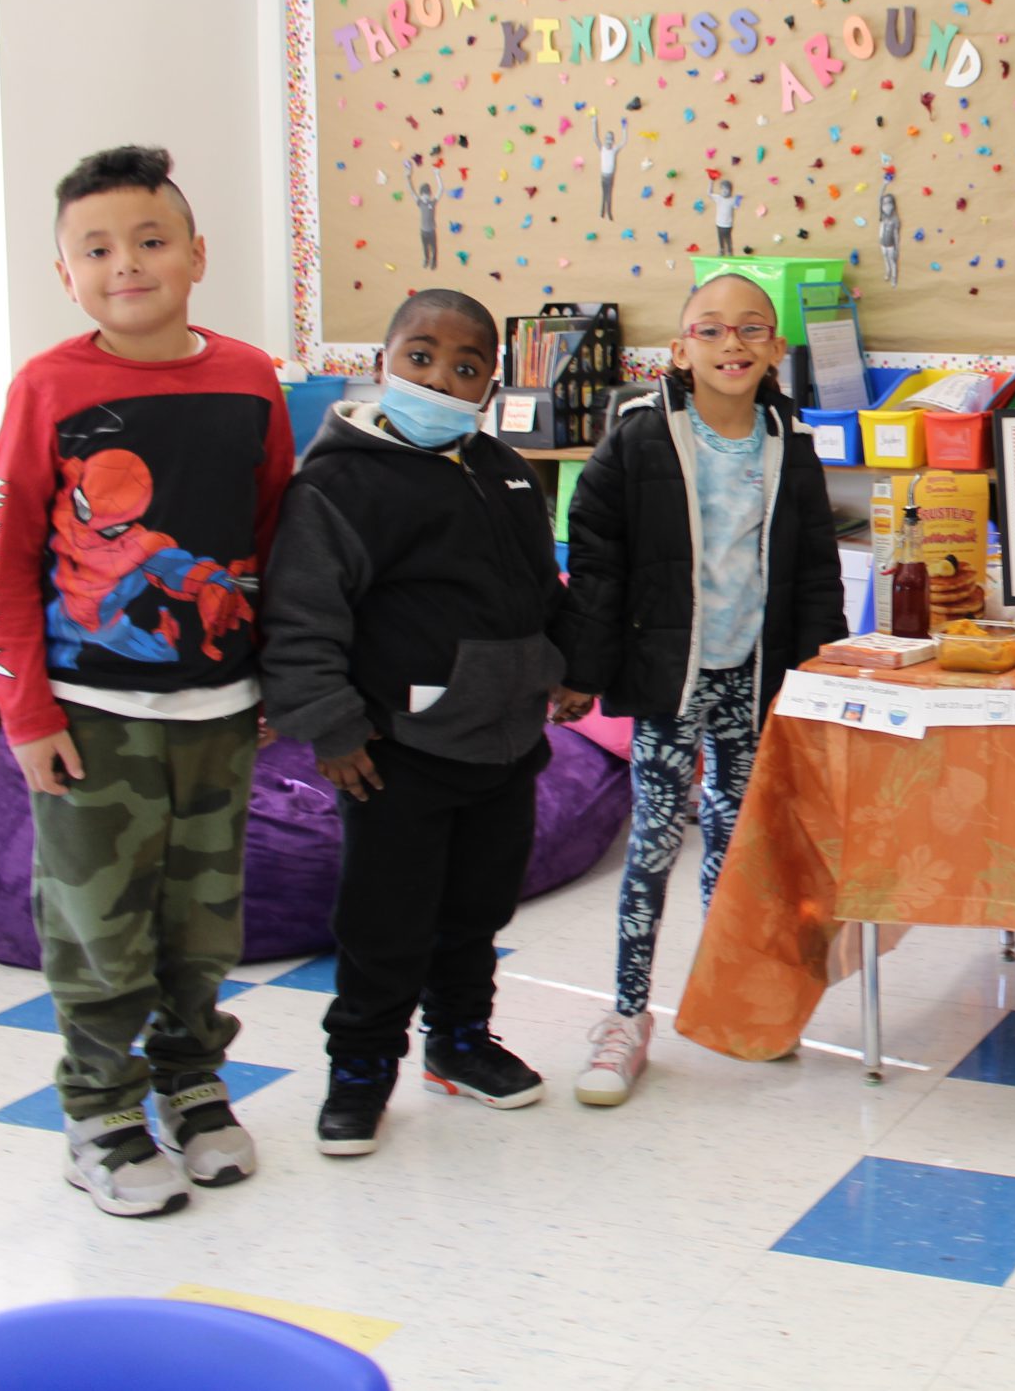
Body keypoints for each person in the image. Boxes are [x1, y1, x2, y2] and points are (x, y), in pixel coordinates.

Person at [0, 145, 295, 1216]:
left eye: (151, 241)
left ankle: (192, 1082)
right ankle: (102, 1112)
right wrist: (25, 714)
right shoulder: (49, 387)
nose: (128, 265)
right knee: (96, 921)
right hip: (91, 720)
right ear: (64, 272)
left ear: (197, 255)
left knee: (203, 919)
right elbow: (8, 562)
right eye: (98, 249)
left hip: (218, 710)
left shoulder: (250, 378)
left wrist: (267, 684)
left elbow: (271, 537)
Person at [260, 289, 571, 1158]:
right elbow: (302, 618)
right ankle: (359, 1069)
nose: (440, 377)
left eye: (465, 367)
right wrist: (332, 728)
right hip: (399, 752)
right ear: (380, 364)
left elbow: (537, 590)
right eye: (421, 356)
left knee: (476, 911)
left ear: (489, 384)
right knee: (384, 923)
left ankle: (460, 1040)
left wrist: (563, 666)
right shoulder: (337, 485)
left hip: (504, 742)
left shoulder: (507, 471)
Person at [556, 273, 848, 1105]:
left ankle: (733, 997)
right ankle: (624, 1015)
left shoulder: (789, 439)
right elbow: (598, 564)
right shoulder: (640, 438)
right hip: (667, 677)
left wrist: (817, 670)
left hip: (752, 675)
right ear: (681, 348)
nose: (732, 345)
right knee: (653, 839)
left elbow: (816, 567)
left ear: (776, 349)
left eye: (751, 329)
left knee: (737, 837)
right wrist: (582, 670)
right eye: (712, 330)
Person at [412, 178, 438, 271]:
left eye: (426, 194)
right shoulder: (420, 203)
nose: (425, 196)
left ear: (430, 194)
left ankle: (433, 261)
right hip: (423, 230)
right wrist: (407, 177)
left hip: (431, 230)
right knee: (425, 247)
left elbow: (440, 189)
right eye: (423, 195)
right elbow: (412, 191)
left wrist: (437, 175)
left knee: (433, 248)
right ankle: (426, 260)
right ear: (421, 195)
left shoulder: (432, 203)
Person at [711, 178, 741, 257]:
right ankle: (721, 250)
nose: (724, 191)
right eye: (722, 189)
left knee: (727, 238)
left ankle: (730, 251)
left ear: (730, 190)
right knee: (720, 237)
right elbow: (709, 193)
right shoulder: (719, 198)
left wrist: (739, 198)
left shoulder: (732, 200)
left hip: (728, 224)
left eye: (726, 189)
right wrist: (711, 181)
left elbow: (736, 206)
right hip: (719, 223)